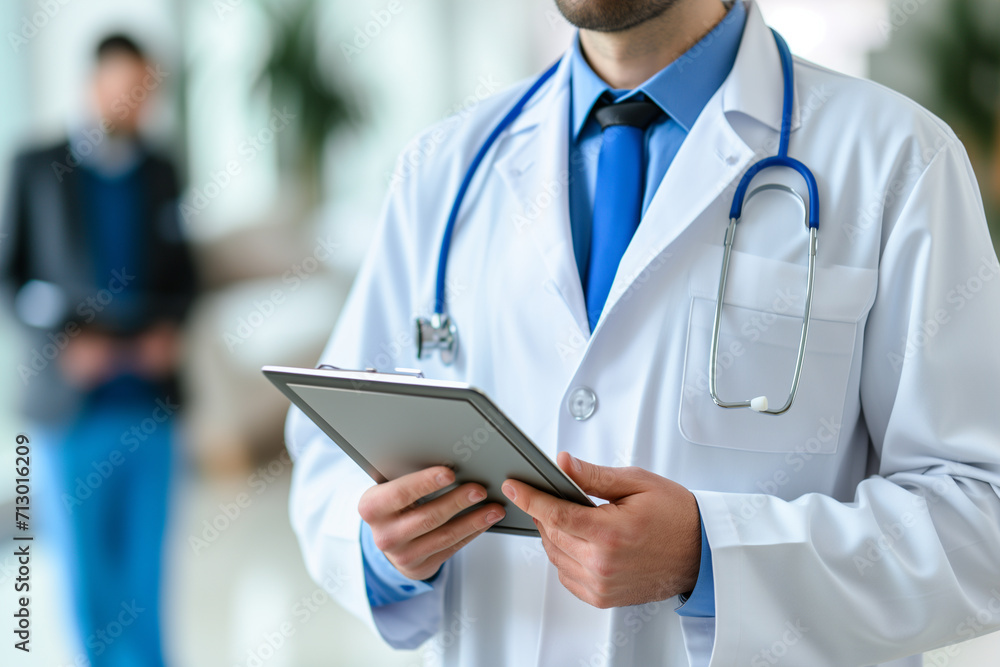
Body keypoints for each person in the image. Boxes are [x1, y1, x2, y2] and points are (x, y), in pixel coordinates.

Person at [285, 1, 1000, 665]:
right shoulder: (443, 169)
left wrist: (712, 558)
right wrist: (381, 548)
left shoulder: (895, 159)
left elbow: (981, 516)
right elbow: (328, 453)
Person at [0, 34, 197, 666]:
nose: (131, 104)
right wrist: (61, 345)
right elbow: (14, 281)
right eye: (120, 88)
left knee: (146, 580)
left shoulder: (161, 169)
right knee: (88, 584)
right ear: (91, 86)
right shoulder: (37, 166)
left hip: (150, 405)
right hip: (71, 409)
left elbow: (184, 276)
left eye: (144, 92)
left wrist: (172, 329)